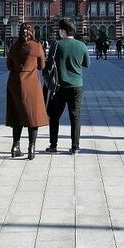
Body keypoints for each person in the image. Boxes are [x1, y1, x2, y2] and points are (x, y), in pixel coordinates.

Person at [44, 18, 90, 155]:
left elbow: (48, 64)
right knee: (75, 116)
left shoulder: (56, 44)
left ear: (63, 31)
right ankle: (75, 147)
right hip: (76, 86)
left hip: (59, 86)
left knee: (54, 116)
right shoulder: (81, 45)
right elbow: (87, 64)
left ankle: (53, 146)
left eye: (60, 29)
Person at [5, 24, 48, 160]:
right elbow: (41, 66)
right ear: (32, 32)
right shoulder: (37, 46)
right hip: (31, 84)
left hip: (15, 83)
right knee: (32, 116)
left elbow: (8, 66)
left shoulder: (13, 47)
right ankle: (31, 148)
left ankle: (15, 146)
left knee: (16, 114)